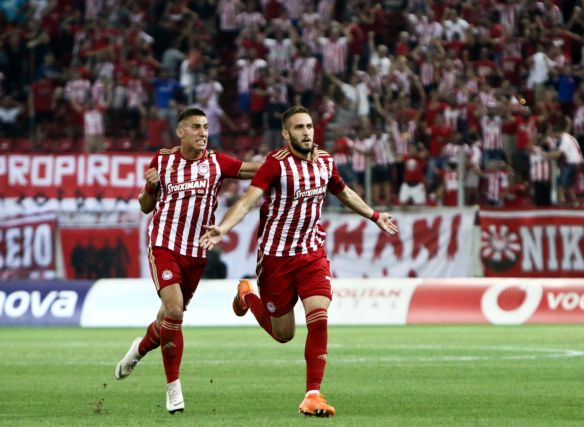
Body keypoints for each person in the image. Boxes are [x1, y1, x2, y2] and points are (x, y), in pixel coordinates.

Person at [199, 106, 398, 417]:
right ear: (286, 134)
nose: (306, 132)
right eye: (299, 127)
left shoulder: (325, 162)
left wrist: (374, 215)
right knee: (284, 334)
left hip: (312, 254)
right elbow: (248, 201)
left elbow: (344, 193)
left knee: (319, 314)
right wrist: (223, 228)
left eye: (309, 126)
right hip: (276, 259)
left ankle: (312, 395)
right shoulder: (275, 164)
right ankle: (247, 295)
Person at [113, 108, 260, 414]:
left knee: (166, 321)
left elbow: (254, 170)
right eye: (196, 127)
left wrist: (290, 163)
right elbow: (145, 206)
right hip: (164, 245)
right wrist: (150, 186)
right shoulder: (163, 160)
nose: (203, 132)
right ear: (180, 132)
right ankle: (173, 389)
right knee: (175, 311)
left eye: (205, 127)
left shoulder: (216, 163)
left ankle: (138, 350)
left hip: (196, 253)